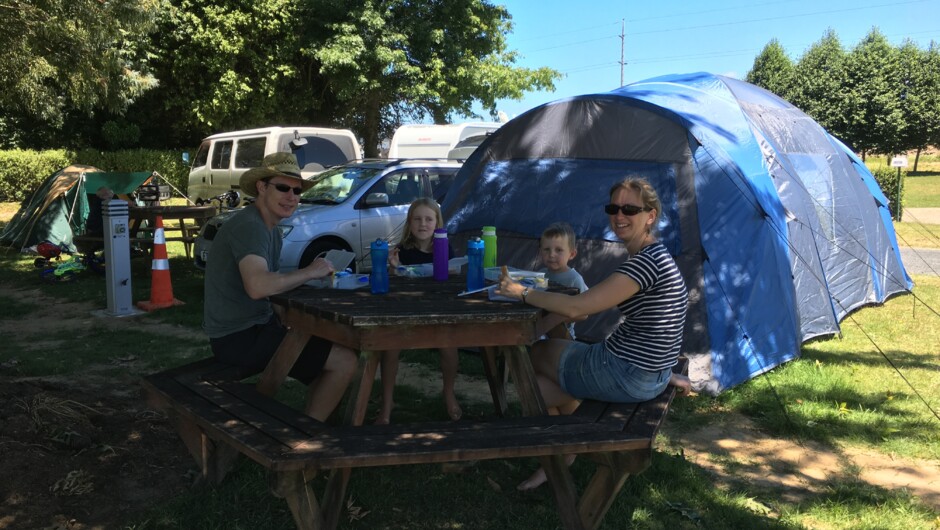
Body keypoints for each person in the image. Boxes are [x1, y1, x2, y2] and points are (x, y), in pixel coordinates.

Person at [496, 177, 692, 490]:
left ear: (650, 216)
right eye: (613, 208)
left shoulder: (643, 265)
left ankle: (566, 445)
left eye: (630, 208)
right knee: (538, 385)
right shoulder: (658, 255)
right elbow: (657, 326)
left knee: (533, 357)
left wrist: (520, 292)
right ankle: (568, 439)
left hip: (627, 374)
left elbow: (578, 308)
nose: (619, 215)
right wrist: (665, 373)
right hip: (647, 374)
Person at [203, 152, 357, 422]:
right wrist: (308, 272)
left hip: (253, 329)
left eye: (297, 191)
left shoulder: (269, 228)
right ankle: (305, 442)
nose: (292, 196)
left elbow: (268, 287)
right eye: (283, 188)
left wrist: (296, 295)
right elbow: (258, 286)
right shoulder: (251, 227)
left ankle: (311, 424)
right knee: (345, 361)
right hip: (238, 338)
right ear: (262, 187)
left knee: (335, 347)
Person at [376, 197, 461, 424]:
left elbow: (452, 276)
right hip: (406, 312)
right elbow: (393, 285)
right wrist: (394, 269)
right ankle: (387, 404)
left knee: (449, 346)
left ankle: (448, 392)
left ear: (437, 223)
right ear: (409, 223)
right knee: (390, 348)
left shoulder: (444, 246)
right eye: (417, 219)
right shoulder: (402, 250)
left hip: (438, 311)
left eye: (428, 219)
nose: (423, 224)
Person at [534, 222, 589, 339]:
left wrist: (557, 319)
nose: (552, 255)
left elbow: (584, 313)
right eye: (546, 249)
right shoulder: (541, 274)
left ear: (572, 254)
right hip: (539, 332)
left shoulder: (574, 279)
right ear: (540, 251)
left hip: (562, 336)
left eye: (559, 250)